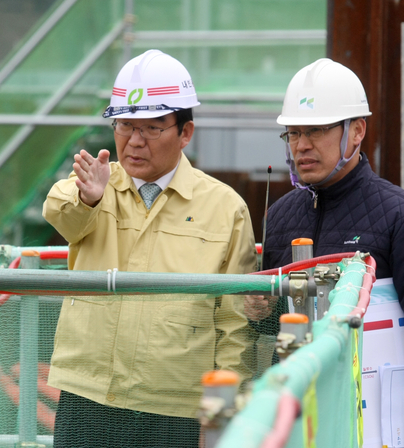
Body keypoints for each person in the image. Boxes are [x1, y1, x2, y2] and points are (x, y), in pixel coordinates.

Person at [43, 49, 258, 447]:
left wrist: (224, 412)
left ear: (185, 132)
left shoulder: (225, 208)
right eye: (124, 125)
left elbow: (235, 323)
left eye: (152, 129)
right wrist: (89, 199)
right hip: (88, 393)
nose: (134, 141)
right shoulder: (96, 185)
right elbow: (59, 212)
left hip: (176, 405)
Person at [249, 58, 404, 448]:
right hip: (295, 418)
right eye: (293, 133)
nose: (301, 145)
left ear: (357, 131)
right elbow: (271, 330)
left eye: (316, 131)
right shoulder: (279, 216)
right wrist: (258, 312)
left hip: (375, 423)